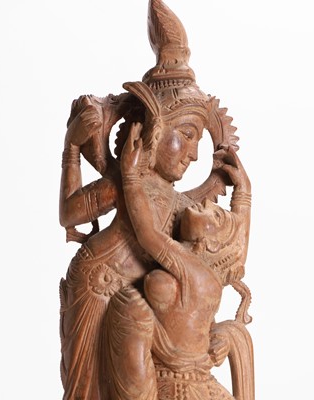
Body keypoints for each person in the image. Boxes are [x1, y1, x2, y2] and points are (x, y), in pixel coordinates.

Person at [58, 1, 240, 399]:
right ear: (155, 130)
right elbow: (69, 214)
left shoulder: (175, 202)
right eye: (187, 135)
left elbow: (218, 247)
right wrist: (72, 149)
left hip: (147, 310)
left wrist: (239, 193)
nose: (194, 154)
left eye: (199, 141)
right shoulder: (127, 181)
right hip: (99, 285)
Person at [103, 122, 251, 400]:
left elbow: (147, 235)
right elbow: (239, 251)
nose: (208, 204)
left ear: (211, 244)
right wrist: (244, 193)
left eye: (216, 216)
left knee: (128, 303)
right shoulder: (204, 276)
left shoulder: (195, 273)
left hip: (178, 386)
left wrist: (130, 176)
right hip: (179, 383)